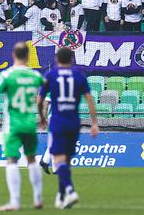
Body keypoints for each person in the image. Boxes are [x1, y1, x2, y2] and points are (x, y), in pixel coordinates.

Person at [0, 42, 45, 211]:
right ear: (28, 56)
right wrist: (42, 118)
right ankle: (37, 198)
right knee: (32, 159)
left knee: (12, 160)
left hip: (12, 125)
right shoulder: (35, 76)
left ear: (13, 55)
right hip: (29, 123)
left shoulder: (6, 76)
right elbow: (40, 99)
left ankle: (15, 201)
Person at [38, 47, 98, 209]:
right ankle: (61, 196)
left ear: (57, 60)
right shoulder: (79, 76)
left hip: (57, 121)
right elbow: (90, 100)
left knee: (58, 161)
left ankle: (70, 191)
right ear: (72, 60)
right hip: (73, 121)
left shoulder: (50, 75)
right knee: (66, 162)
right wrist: (94, 123)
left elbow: (40, 100)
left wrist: (42, 118)